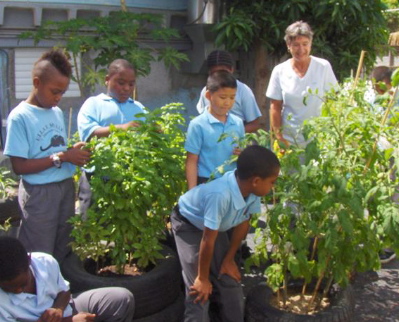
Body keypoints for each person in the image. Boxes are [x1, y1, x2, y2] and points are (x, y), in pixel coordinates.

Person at [171, 145, 280, 321]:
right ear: (256, 180)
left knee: (230, 281)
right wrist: (203, 278)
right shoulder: (220, 195)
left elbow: (243, 224)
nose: (273, 187)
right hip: (188, 224)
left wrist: (228, 259)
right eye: (272, 182)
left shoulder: (253, 191)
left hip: (215, 227)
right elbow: (207, 240)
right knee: (198, 292)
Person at [3, 49, 91, 263]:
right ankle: (38, 294)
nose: (59, 98)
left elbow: (52, 149)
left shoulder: (56, 112)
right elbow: (19, 166)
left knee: (64, 245)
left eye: (62, 92)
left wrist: (71, 150)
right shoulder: (20, 116)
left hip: (65, 188)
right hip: (40, 194)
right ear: (36, 83)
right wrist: (62, 157)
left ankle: (60, 290)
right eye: (55, 91)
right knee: (39, 253)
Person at [0, 236, 135, 322]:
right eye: (10, 289)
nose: (18, 290)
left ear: (29, 260)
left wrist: (58, 309)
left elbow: (64, 291)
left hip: (68, 310)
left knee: (121, 299)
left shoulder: (45, 261)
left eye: (23, 285)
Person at [77, 59, 147, 216]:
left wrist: (156, 131)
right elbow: (89, 134)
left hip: (129, 179)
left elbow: (149, 136)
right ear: (107, 80)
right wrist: (122, 128)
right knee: (92, 224)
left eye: (131, 84)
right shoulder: (94, 104)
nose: (126, 88)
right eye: (120, 83)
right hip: (97, 177)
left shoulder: (138, 108)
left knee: (127, 225)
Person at [266, 21, 338, 148]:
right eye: (296, 45)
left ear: (311, 44)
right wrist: (279, 136)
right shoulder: (280, 71)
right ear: (288, 46)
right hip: (290, 139)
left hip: (319, 138)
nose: (301, 49)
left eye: (305, 44)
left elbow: (334, 100)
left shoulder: (323, 67)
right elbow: (275, 107)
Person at [185, 70, 245, 189]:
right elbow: (191, 161)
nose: (227, 102)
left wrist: (242, 154)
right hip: (206, 182)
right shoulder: (198, 124)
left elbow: (242, 152)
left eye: (232, 97)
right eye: (223, 97)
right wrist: (192, 192)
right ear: (208, 96)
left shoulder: (237, 123)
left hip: (233, 183)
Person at [196, 50, 262, 133]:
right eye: (215, 73)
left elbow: (255, 124)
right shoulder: (206, 91)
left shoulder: (243, 91)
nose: (220, 76)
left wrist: (230, 134)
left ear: (231, 70)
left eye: (223, 72)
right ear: (209, 73)